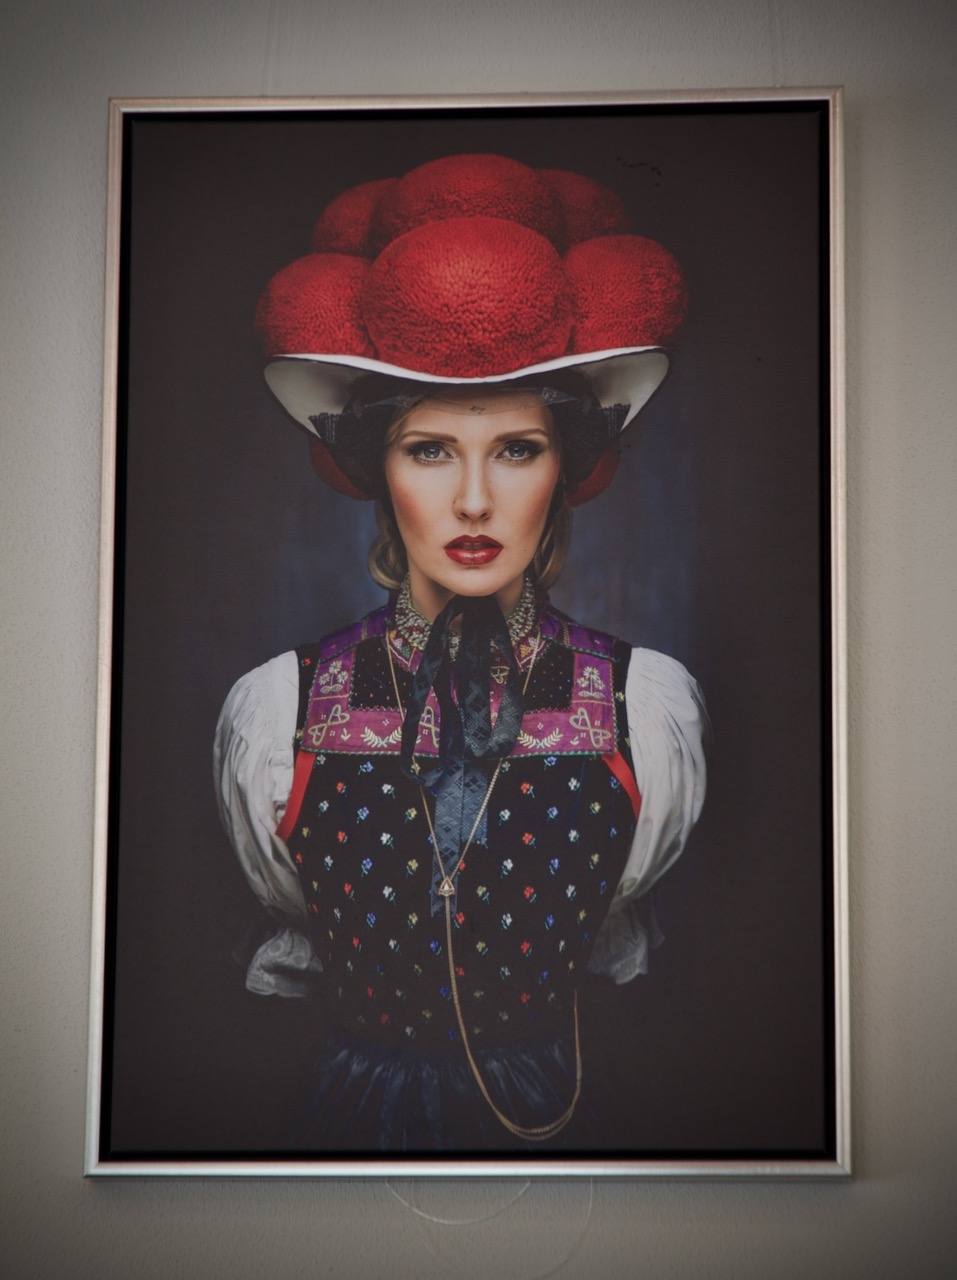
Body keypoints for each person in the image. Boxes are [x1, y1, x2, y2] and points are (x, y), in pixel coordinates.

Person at [214, 154, 708, 1152]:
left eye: (517, 449)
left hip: (561, 1128)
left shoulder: (640, 704)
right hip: (344, 1136)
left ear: (564, 471)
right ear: (379, 470)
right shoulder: (280, 707)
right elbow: (296, 913)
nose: (474, 501)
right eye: (430, 449)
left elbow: (612, 923)